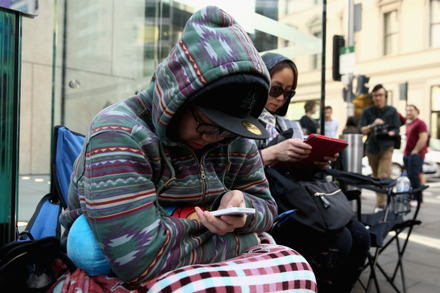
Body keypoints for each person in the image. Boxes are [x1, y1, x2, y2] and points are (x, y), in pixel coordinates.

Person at [53, 7, 317, 292]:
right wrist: (247, 238)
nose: (216, 138)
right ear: (178, 97)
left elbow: (267, 207)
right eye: (208, 124)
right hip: (120, 255)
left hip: (173, 246)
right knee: (91, 246)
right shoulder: (119, 133)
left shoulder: (234, 136)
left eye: (230, 128)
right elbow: (138, 261)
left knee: (302, 270)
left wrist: (244, 206)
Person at [257, 52, 370, 293]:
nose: (280, 98)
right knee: (344, 240)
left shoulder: (289, 124)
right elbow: (232, 167)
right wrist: (273, 152)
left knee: (361, 236)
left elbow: (297, 168)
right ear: (259, 82)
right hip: (271, 207)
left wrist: (317, 161)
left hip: (298, 197)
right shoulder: (241, 123)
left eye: (288, 93)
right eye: (275, 89)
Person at [359, 84, 401, 211]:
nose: (378, 98)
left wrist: (387, 132)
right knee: (376, 178)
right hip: (371, 147)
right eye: (375, 95)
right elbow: (362, 129)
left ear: (385, 96)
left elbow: (397, 129)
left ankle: (381, 204)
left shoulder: (392, 111)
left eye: (380, 95)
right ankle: (384, 199)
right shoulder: (367, 111)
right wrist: (373, 125)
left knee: (383, 175)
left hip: (387, 147)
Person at [403, 104, 428, 207]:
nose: (409, 112)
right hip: (407, 155)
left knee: (414, 178)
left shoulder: (420, 123)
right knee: (411, 178)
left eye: (411, 110)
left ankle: (418, 200)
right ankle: (414, 198)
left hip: (415, 155)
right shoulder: (409, 124)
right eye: (407, 110)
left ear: (417, 111)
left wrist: (415, 151)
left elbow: (423, 138)